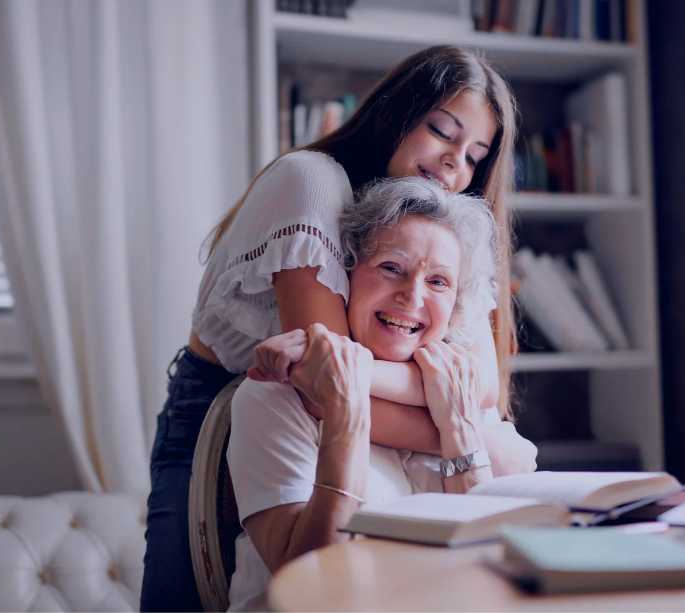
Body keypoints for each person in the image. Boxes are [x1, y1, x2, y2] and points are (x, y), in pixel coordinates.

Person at [141, 45, 536, 612]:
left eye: (475, 155)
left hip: (337, 412)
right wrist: (459, 422)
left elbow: (481, 386)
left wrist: (461, 411)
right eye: (442, 132)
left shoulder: (441, 226)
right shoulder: (311, 181)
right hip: (226, 410)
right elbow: (333, 386)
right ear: (396, 114)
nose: (455, 165)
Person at [228, 177, 519, 610]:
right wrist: (344, 419)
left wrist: (459, 428)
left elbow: (492, 565)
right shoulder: (274, 397)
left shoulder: (453, 390)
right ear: (346, 274)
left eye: (438, 282)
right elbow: (317, 586)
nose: (412, 295)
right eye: (391, 268)